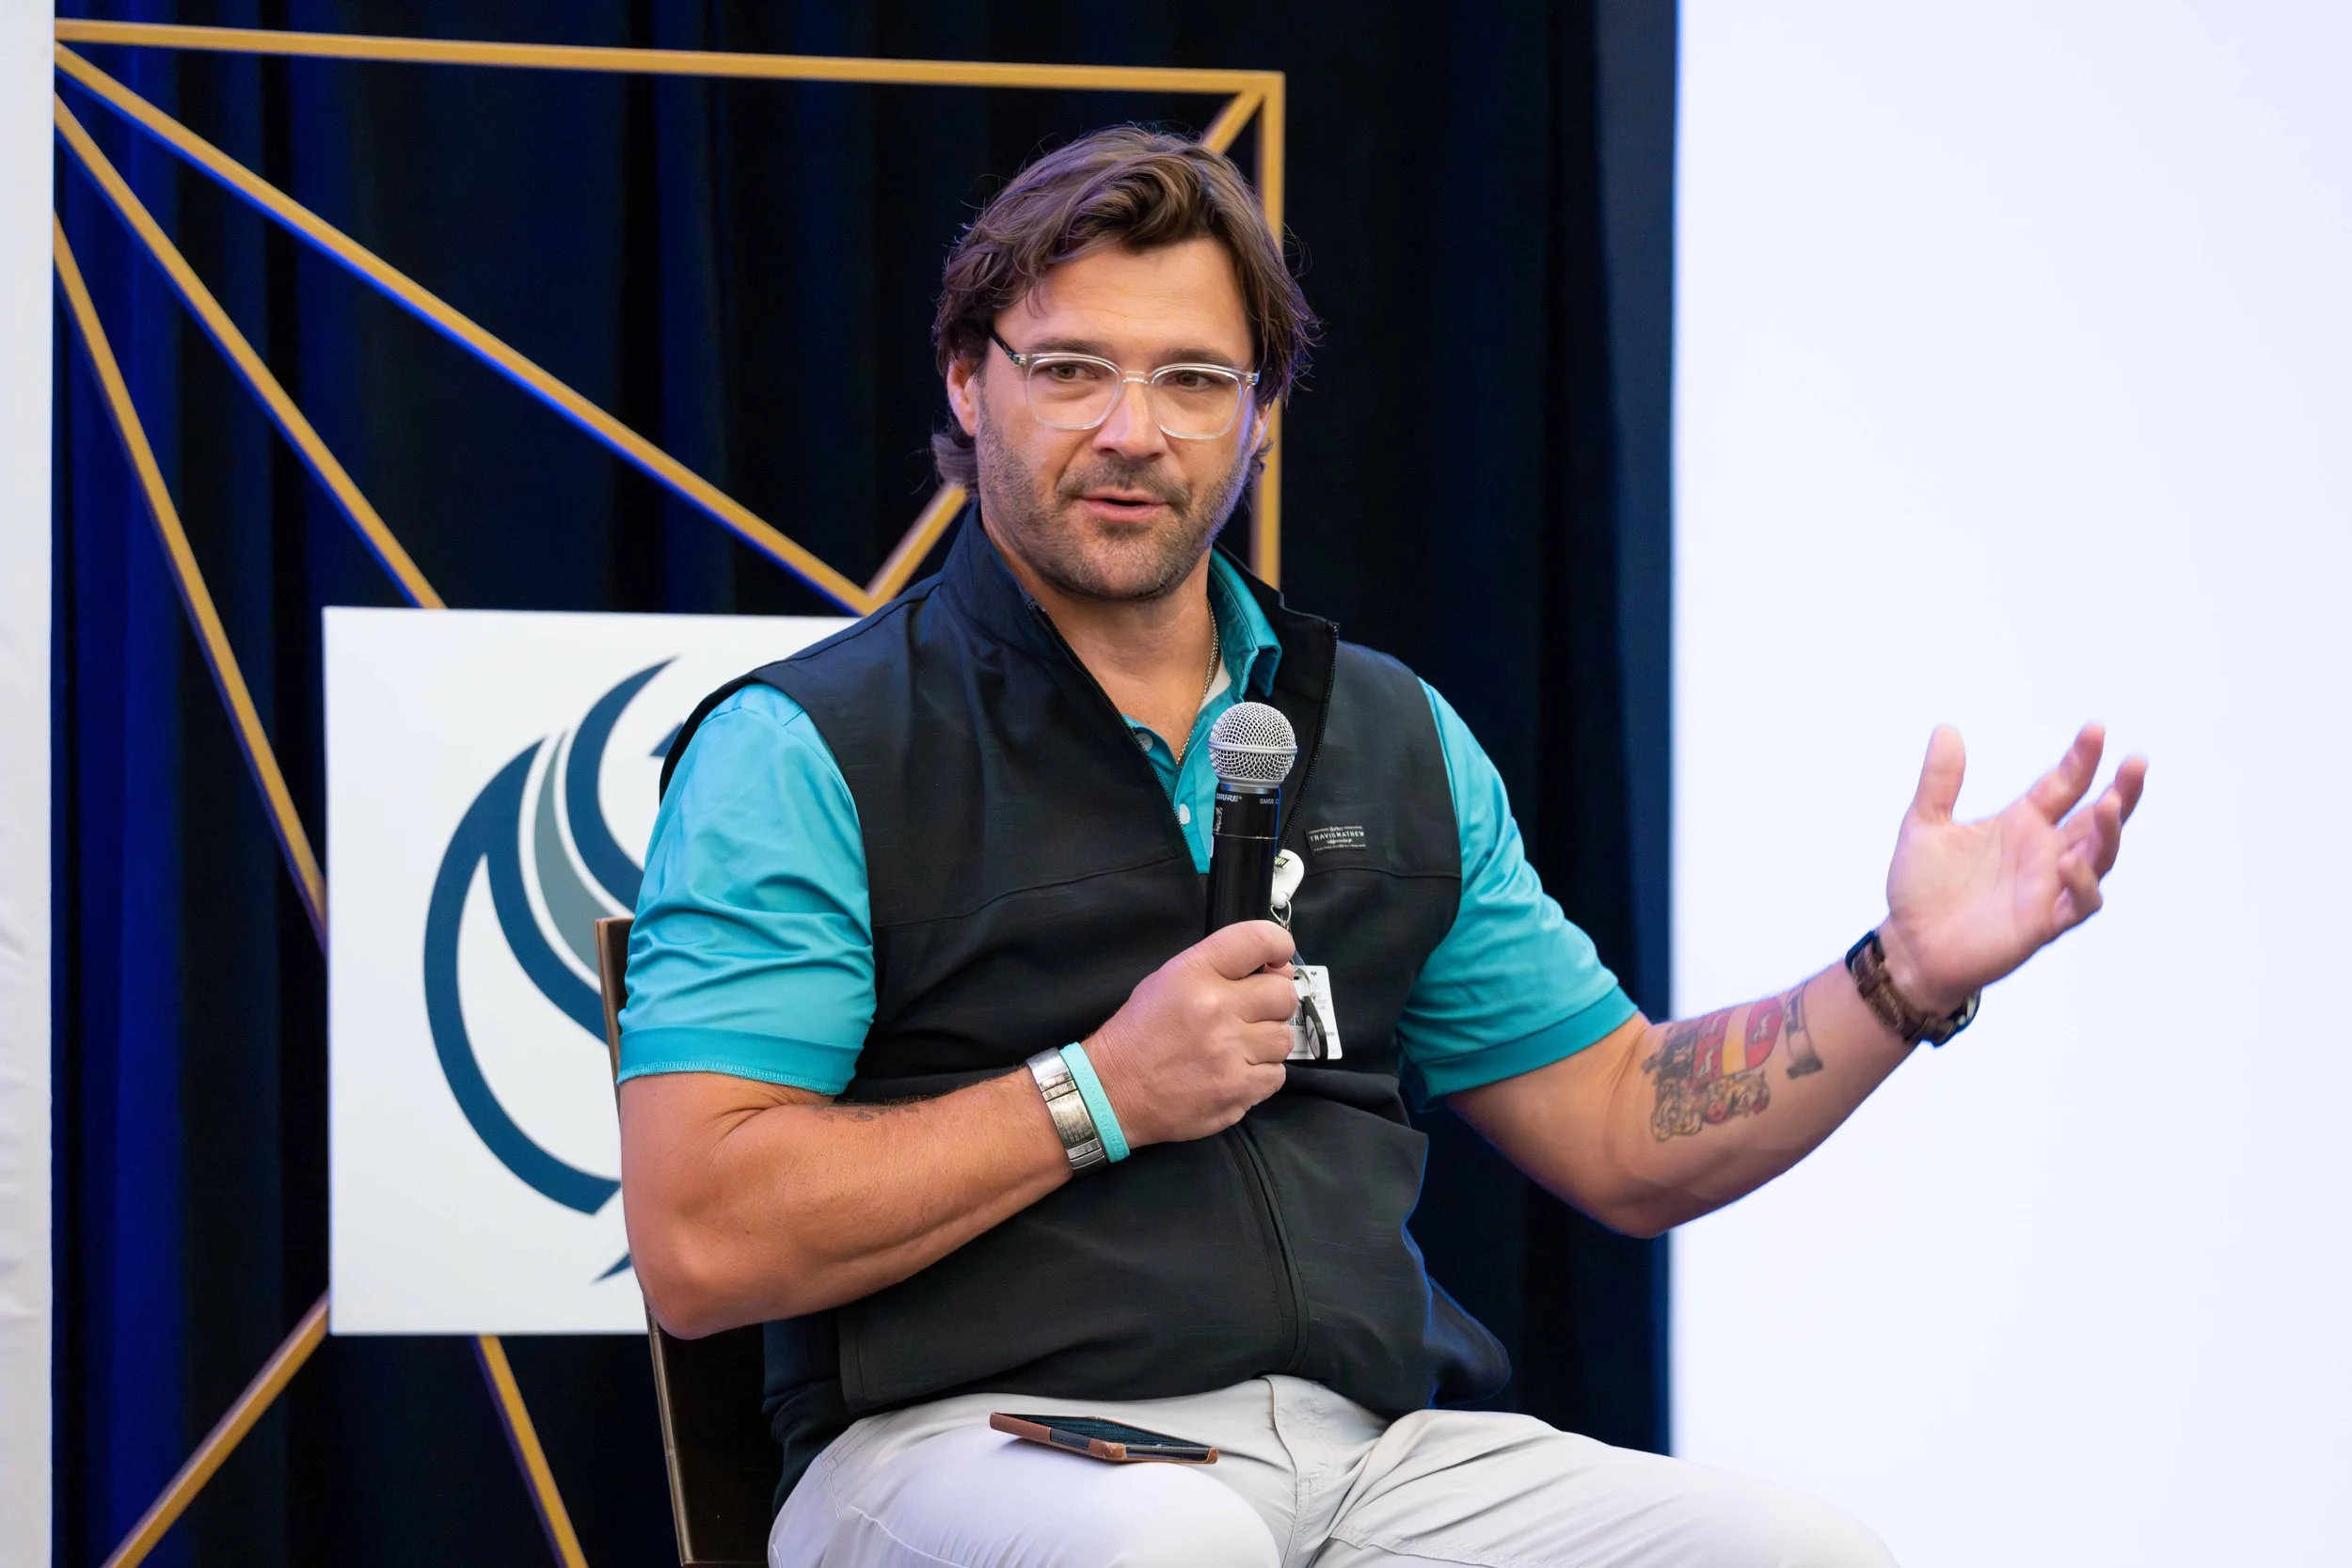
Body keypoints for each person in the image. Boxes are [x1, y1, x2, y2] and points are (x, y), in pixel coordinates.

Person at [615, 126, 2145, 1568]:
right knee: (1179, 1549)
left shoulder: (1386, 732)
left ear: (1261, 414)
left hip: (1358, 1459)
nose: (1132, 430)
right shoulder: (807, 748)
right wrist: (1098, 1093)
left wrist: (1899, 980)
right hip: (963, 1449)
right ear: (968, 382)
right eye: (1071, 369)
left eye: (1195, 379)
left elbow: (1623, 1124)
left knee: (1791, 1550)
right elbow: (700, 1232)